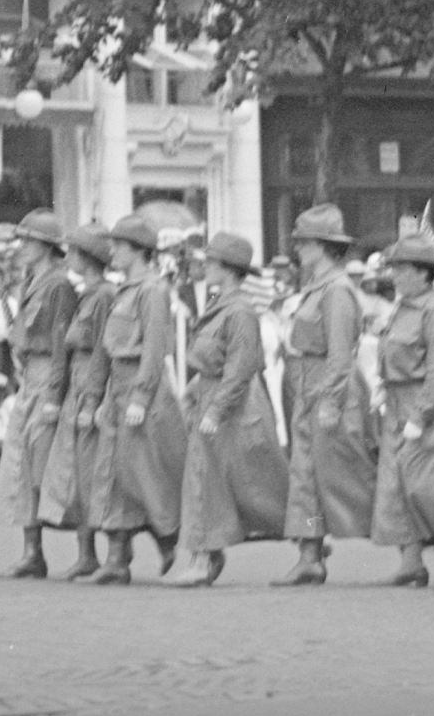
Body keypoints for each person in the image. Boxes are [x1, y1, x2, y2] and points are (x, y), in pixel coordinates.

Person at [170, 233, 288, 586]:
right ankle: (206, 554)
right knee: (221, 481)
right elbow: (213, 358)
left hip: (229, 404)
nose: (204, 267)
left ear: (227, 268)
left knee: (215, 480)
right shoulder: (223, 304)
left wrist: (215, 411)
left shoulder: (239, 311)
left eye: (210, 262)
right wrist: (196, 388)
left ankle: (205, 560)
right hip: (215, 396)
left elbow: (239, 368)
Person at [277, 205, 376, 587]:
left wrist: (331, 401)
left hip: (322, 385)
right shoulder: (319, 287)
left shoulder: (336, 291)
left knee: (329, 478)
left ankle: (408, 541)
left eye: (305, 242)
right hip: (307, 385)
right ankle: (311, 551)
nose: (298, 248)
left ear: (323, 246)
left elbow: (341, 354)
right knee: (306, 477)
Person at [91, 216, 186, 582]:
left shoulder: (152, 290)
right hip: (119, 387)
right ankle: (117, 558)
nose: (112, 251)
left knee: (146, 475)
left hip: (140, 389)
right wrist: (104, 399)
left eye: (118, 245)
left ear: (138, 251)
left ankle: (170, 539)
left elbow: (154, 350)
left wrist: (140, 398)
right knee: (114, 475)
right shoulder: (126, 289)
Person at [0, 212, 77, 576]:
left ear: (47, 246)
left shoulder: (58, 285)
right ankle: (32, 553)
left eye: (28, 241)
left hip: (47, 379)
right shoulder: (33, 280)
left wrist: (55, 395)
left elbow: (60, 345)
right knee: (21, 465)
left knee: (50, 468)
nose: (21, 247)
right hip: (30, 377)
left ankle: (87, 551)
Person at [372, 234, 434, 587]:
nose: (395, 276)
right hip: (397, 401)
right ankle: (411, 560)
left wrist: (420, 416)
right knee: (396, 484)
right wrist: (383, 385)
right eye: (394, 268)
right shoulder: (402, 308)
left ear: (425, 274)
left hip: (422, 405)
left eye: (403, 269)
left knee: (426, 485)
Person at [47, 224, 116, 575]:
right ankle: (86, 553)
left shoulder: (103, 295)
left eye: (74, 251)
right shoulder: (86, 293)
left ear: (87, 257)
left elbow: (105, 349)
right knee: (75, 474)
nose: (69, 257)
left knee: (90, 475)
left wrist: (92, 401)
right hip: (77, 384)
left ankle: (106, 554)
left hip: (90, 384)